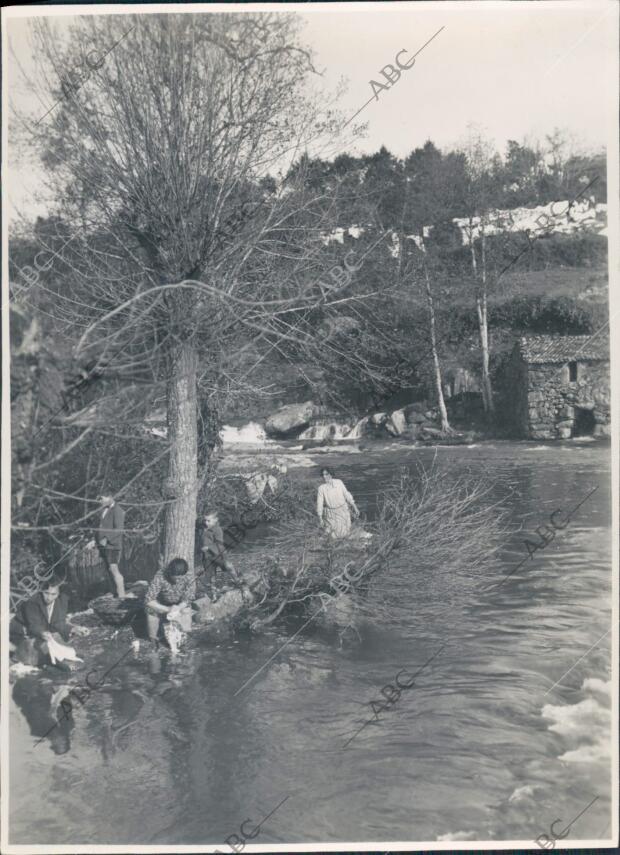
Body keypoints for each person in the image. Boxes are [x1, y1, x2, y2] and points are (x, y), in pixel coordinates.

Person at [9, 575, 83, 669]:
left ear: (58, 594)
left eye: (53, 594)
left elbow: (58, 623)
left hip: (41, 629)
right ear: (41, 592)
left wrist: (73, 628)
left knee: (57, 639)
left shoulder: (61, 601)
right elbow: (34, 625)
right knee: (40, 646)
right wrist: (42, 632)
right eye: (46, 593)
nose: (49, 597)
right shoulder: (32, 602)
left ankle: (60, 658)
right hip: (21, 630)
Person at [145, 557, 196, 646]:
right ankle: (154, 639)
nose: (178, 581)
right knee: (150, 610)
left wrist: (178, 607)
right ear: (170, 573)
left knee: (186, 610)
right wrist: (167, 609)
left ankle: (184, 635)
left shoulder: (190, 576)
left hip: (179, 604)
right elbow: (148, 600)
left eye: (180, 579)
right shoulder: (160, 576)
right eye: (175, 578)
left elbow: (189, 597)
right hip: (162, 604)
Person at [88, 494, 126, 598]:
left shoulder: (118, 510)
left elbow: (119, 530)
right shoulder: (103, 510)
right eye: (99, 499)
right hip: (103, 545)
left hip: (112, 546)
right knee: (108, 569)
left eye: (101, 498)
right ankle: (114, 592)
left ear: (110, 496)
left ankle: (122, 595)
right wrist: (93, 540)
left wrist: (106, 539)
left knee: (113, 569)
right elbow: (99, 528)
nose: (100, 501)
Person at [200, 511, 242, 602]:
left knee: (228, 567)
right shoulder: (203, 529)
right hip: (207, 557)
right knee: (211, 576)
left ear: (215, 520)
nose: (206, 522)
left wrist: (209, 548)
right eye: (205, 520)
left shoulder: (217, 529)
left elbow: (219, 543)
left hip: (217, 554)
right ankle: (214, 595)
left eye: (208, 520)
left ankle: (238, 581)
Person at [316, 467, 359, 538]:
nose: (324, 476)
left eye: (326, 474)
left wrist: (355, 507)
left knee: (345, 533)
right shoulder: (321, 488)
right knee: (333, 536)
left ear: (331, 474)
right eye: (323, 475)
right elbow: (319, 503)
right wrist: (320, 518)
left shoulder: (339, 482)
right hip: (331, 514)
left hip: (343, 511)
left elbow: (346, 494)